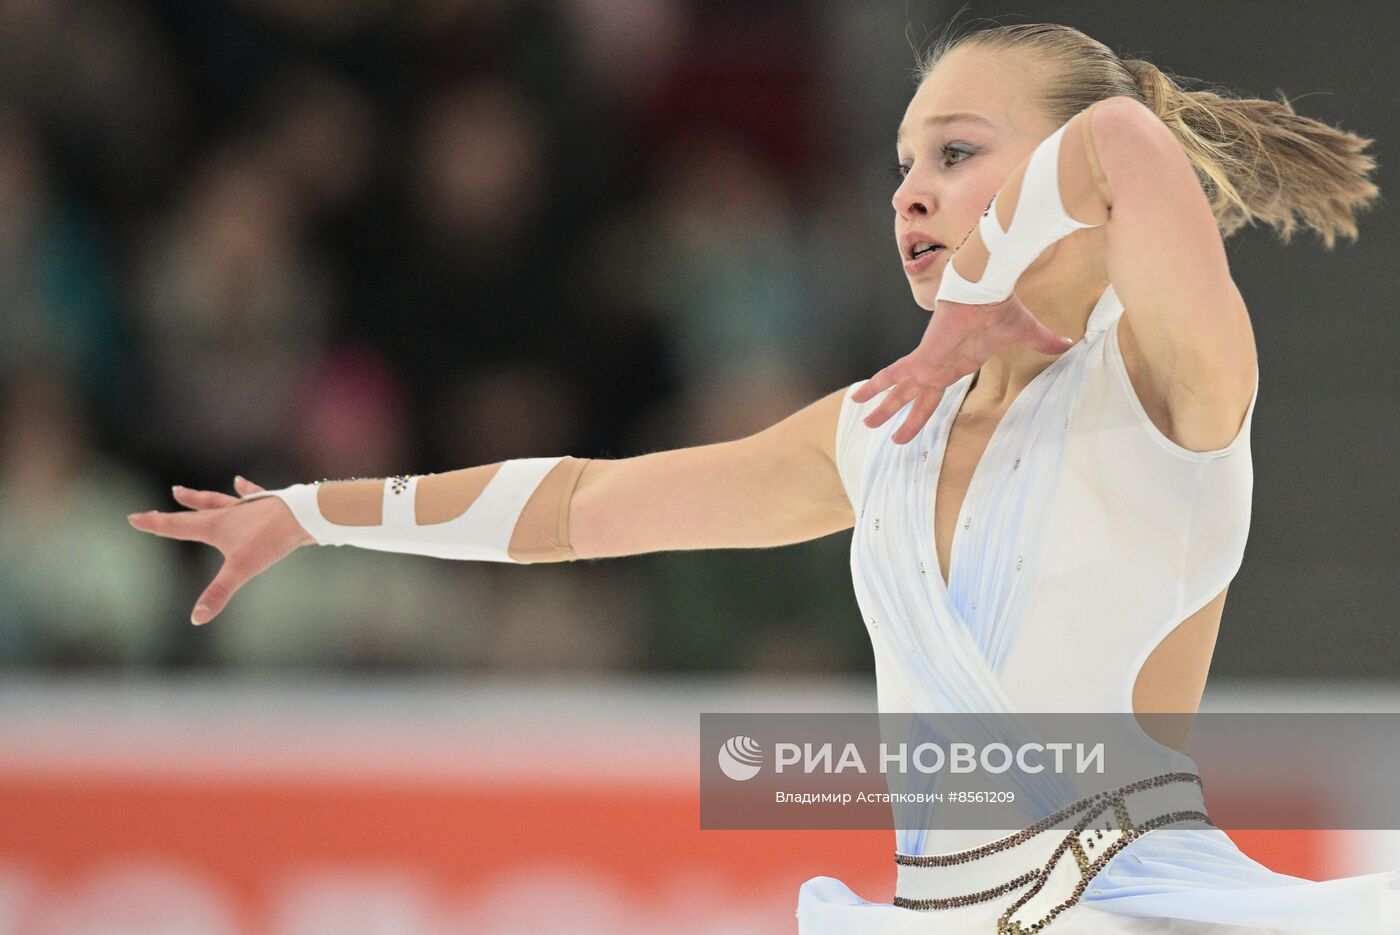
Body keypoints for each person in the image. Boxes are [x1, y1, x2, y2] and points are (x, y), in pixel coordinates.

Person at [128, 21, 1395, 935]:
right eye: (900, 163)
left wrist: (981, 290)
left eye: (956, 153)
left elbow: (1120, 133)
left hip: (1133, 907)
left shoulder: (1173, 382)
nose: (909, 191)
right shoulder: (874, 430)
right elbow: (578, 508)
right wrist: (314, 513)